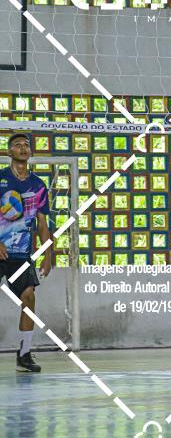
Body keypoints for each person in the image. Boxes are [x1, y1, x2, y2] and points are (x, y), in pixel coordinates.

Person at [0, 133, 53, 373]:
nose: (23, 148)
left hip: (21, 254)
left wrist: (47, 255)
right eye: (17, 145)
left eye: (26, 145)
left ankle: (23, 355)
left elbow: (42, 223)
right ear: (9, 152)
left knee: (29, 296)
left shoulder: (38, 185)